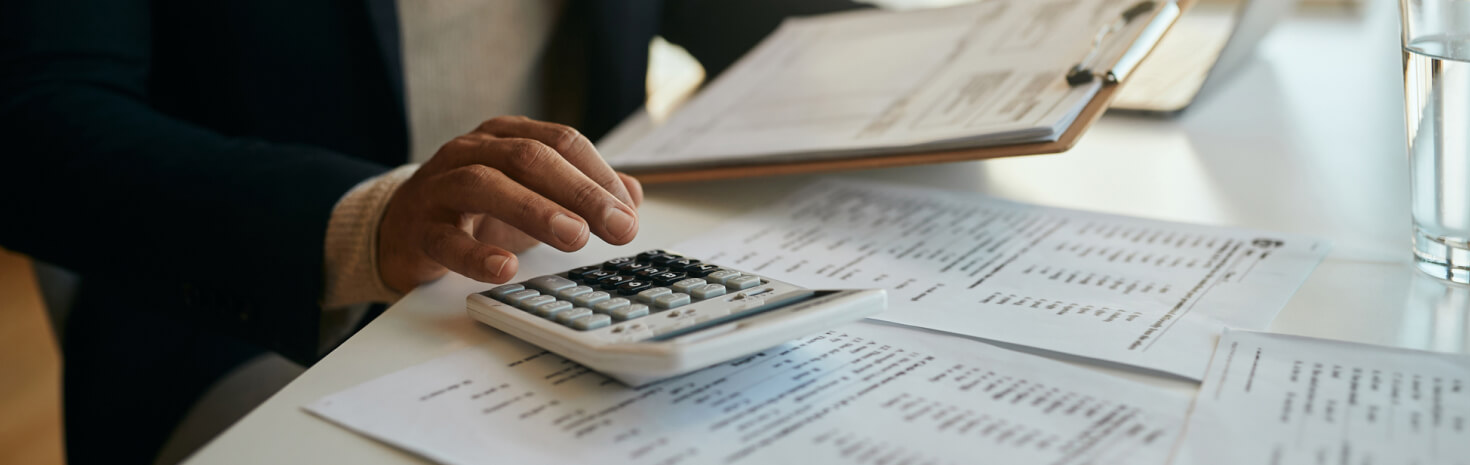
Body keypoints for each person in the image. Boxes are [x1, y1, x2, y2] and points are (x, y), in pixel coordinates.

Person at [0, 0, 863, 462]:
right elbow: (35, 117)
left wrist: (955, 53)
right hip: (242, 315)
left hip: (594, 275)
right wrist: (366, 220)